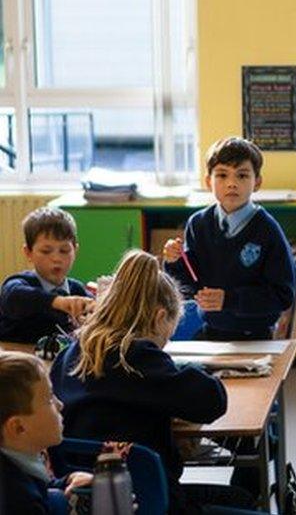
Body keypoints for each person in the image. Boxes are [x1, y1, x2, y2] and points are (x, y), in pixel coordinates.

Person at [49, 250, 254, 513]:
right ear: (159, 318)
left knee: (235, 497)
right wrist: (184, 367)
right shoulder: (137, 357)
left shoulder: (71, 353)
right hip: (146, 498)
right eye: (169, 331)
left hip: (82, 496)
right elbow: (213, 400)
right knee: (244, 500)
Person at [162, 137, 296, 341]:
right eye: (222, 175)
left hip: (256, 335)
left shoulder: (267, 230)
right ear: (209, 182)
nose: (232, 184)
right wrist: (174, 261)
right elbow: (189, 287)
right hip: (211, 331)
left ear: (257, 182)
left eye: (242, 176)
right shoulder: (198, 224)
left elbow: (283, 295)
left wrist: (230, 300)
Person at [0, 351, 92, 514]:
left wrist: (67, 481)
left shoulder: (15, 464)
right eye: (50, 398)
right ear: (18, 427)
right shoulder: (19, 500)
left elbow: (36, 484)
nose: (60, 405)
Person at [0, 207, 93, 344]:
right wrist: (59, 302)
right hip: (20, 360)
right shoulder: (18, 284)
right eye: (46, 251)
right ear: (28, 253)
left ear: (75, 251)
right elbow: (15, 297)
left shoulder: (76, 290)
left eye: (64, 250)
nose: (56, 258)